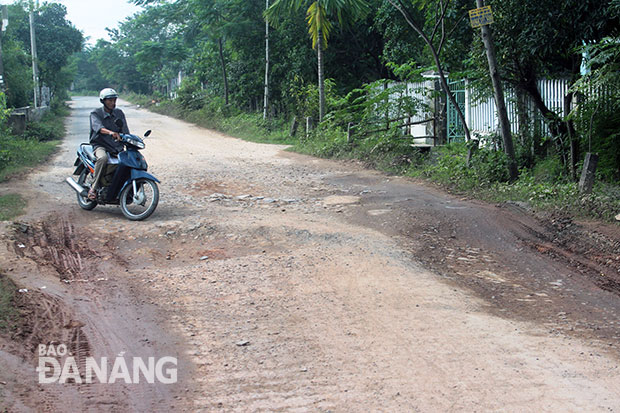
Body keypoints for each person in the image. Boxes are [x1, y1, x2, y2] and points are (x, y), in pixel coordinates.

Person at [88, 88, 130, 200]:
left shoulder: (119, 113)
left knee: (127, 161)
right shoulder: (95, 113)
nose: (113, 103)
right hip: (100, 145)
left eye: (114, 100)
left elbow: (125, 131)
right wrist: (111, 132)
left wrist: (130, 139)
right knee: (102, 158)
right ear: (103, 101)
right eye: (109, 100)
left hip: (115, 146)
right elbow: (99, 128)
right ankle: (94, 188)